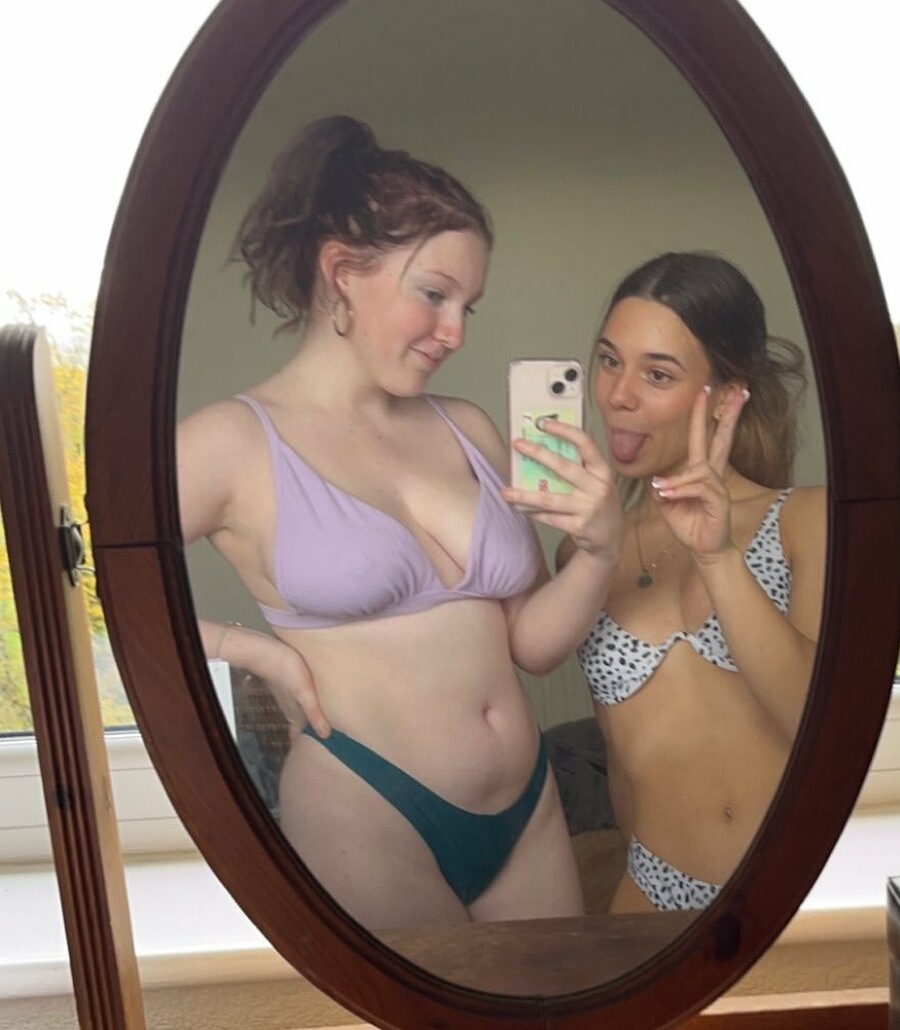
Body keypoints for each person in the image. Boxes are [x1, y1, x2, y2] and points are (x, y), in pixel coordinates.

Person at [177, 116, 622, 929]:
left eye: (469, 306)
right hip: (368, 810)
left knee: (559, 999)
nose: (455, 332)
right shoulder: (230, 443)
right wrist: (251, 650)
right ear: (342, 271)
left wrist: (597, 549)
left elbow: (529, 642)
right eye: (435, 295)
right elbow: (84, 575)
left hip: (528, 806)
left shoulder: (468, 426)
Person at [559, 251, 826, 913]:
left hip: (787, 898)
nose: (618, 395)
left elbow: (818, 727)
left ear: (728, 396)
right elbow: (624, 762)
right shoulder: (585, 552)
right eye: (610, 360)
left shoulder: (806, 520)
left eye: (657, 373)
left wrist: (718, 557)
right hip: (650, 895)